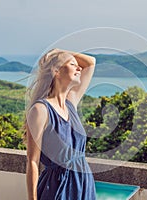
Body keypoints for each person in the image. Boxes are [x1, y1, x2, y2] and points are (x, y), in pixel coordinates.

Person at [25, 48, 97, 200]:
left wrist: (59, 51)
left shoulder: (70, 102)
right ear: (56, 71)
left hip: (83, 184)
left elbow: (90, 62)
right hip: (58, 187)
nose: (79, 68)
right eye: (72, 64)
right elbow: (32, 160)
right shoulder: (41, 110)